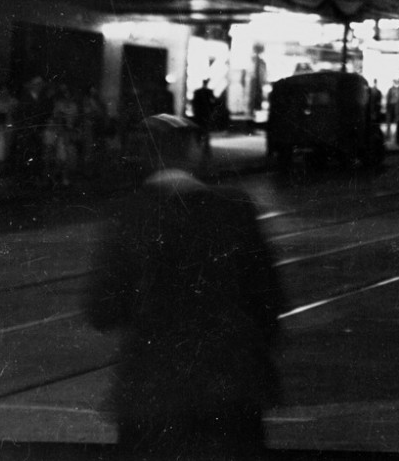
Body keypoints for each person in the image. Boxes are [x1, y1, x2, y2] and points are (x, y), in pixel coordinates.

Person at [87, 114, 283, 458]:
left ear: (145, 158)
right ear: (192, 155)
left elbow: (101, 310)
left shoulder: (129, 214)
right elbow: (268, 299)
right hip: (229, 389)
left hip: (152, 393)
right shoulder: (235, 208)